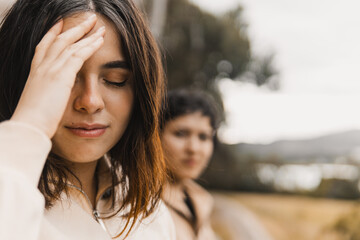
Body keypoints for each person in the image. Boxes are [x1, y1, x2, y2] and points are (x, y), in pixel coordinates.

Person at [0, 0, 175, 239]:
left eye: (116, 80)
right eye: (65, 74)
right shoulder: (10, 185)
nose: (91, 101)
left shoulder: (149, 212)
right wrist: (31, 123)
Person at [161, 89, 219, 240]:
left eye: (203, 137)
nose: (193, 148)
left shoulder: (200, 200)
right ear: (155, 137)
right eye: (180, 134)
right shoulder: (137, 203)